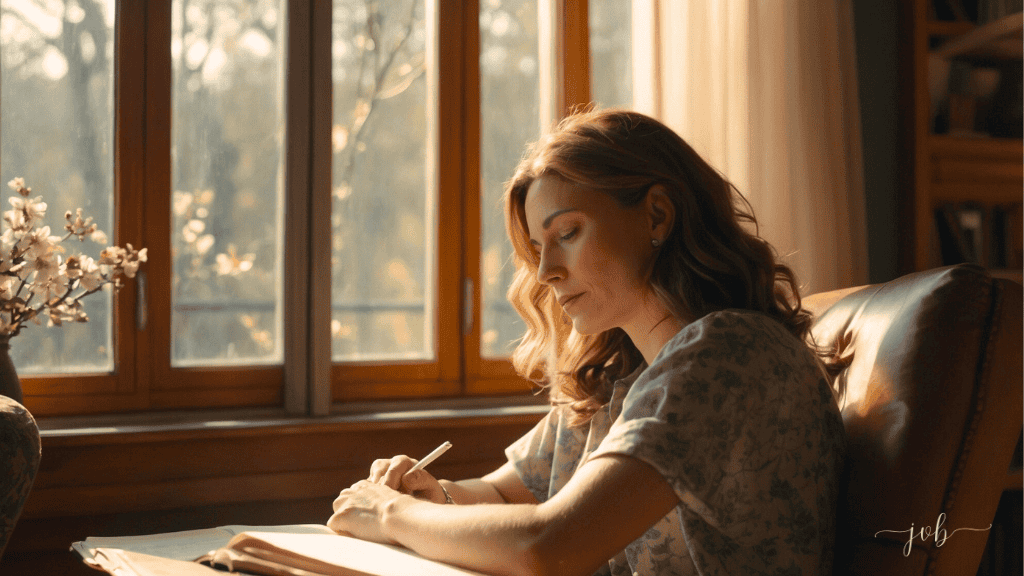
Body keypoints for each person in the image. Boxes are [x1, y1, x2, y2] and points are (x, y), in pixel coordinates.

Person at [327, 109, 847, 576]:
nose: (548, 272)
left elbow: (551, 544)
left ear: (657, 216)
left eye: (568, 233)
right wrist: (434, 496)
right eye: (538, 248)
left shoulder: (730, 354)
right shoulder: (625, 375)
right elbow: (507, 494)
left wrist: (392, 513)